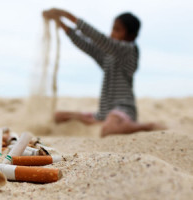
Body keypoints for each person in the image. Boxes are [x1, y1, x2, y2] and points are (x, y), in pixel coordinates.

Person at [43, 8, 162, 137]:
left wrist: (67, 15)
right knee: (58, 116)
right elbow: (87, 46)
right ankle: (97, 122)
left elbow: (100, 39)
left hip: (123, 110)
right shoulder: (108, 57)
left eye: (117, 30)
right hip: (104, 113)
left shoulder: (129, 51)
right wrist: (61, 24)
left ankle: (148, 126)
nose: (112, 33)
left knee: (108, 130)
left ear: (131, 35)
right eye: (113, 29)